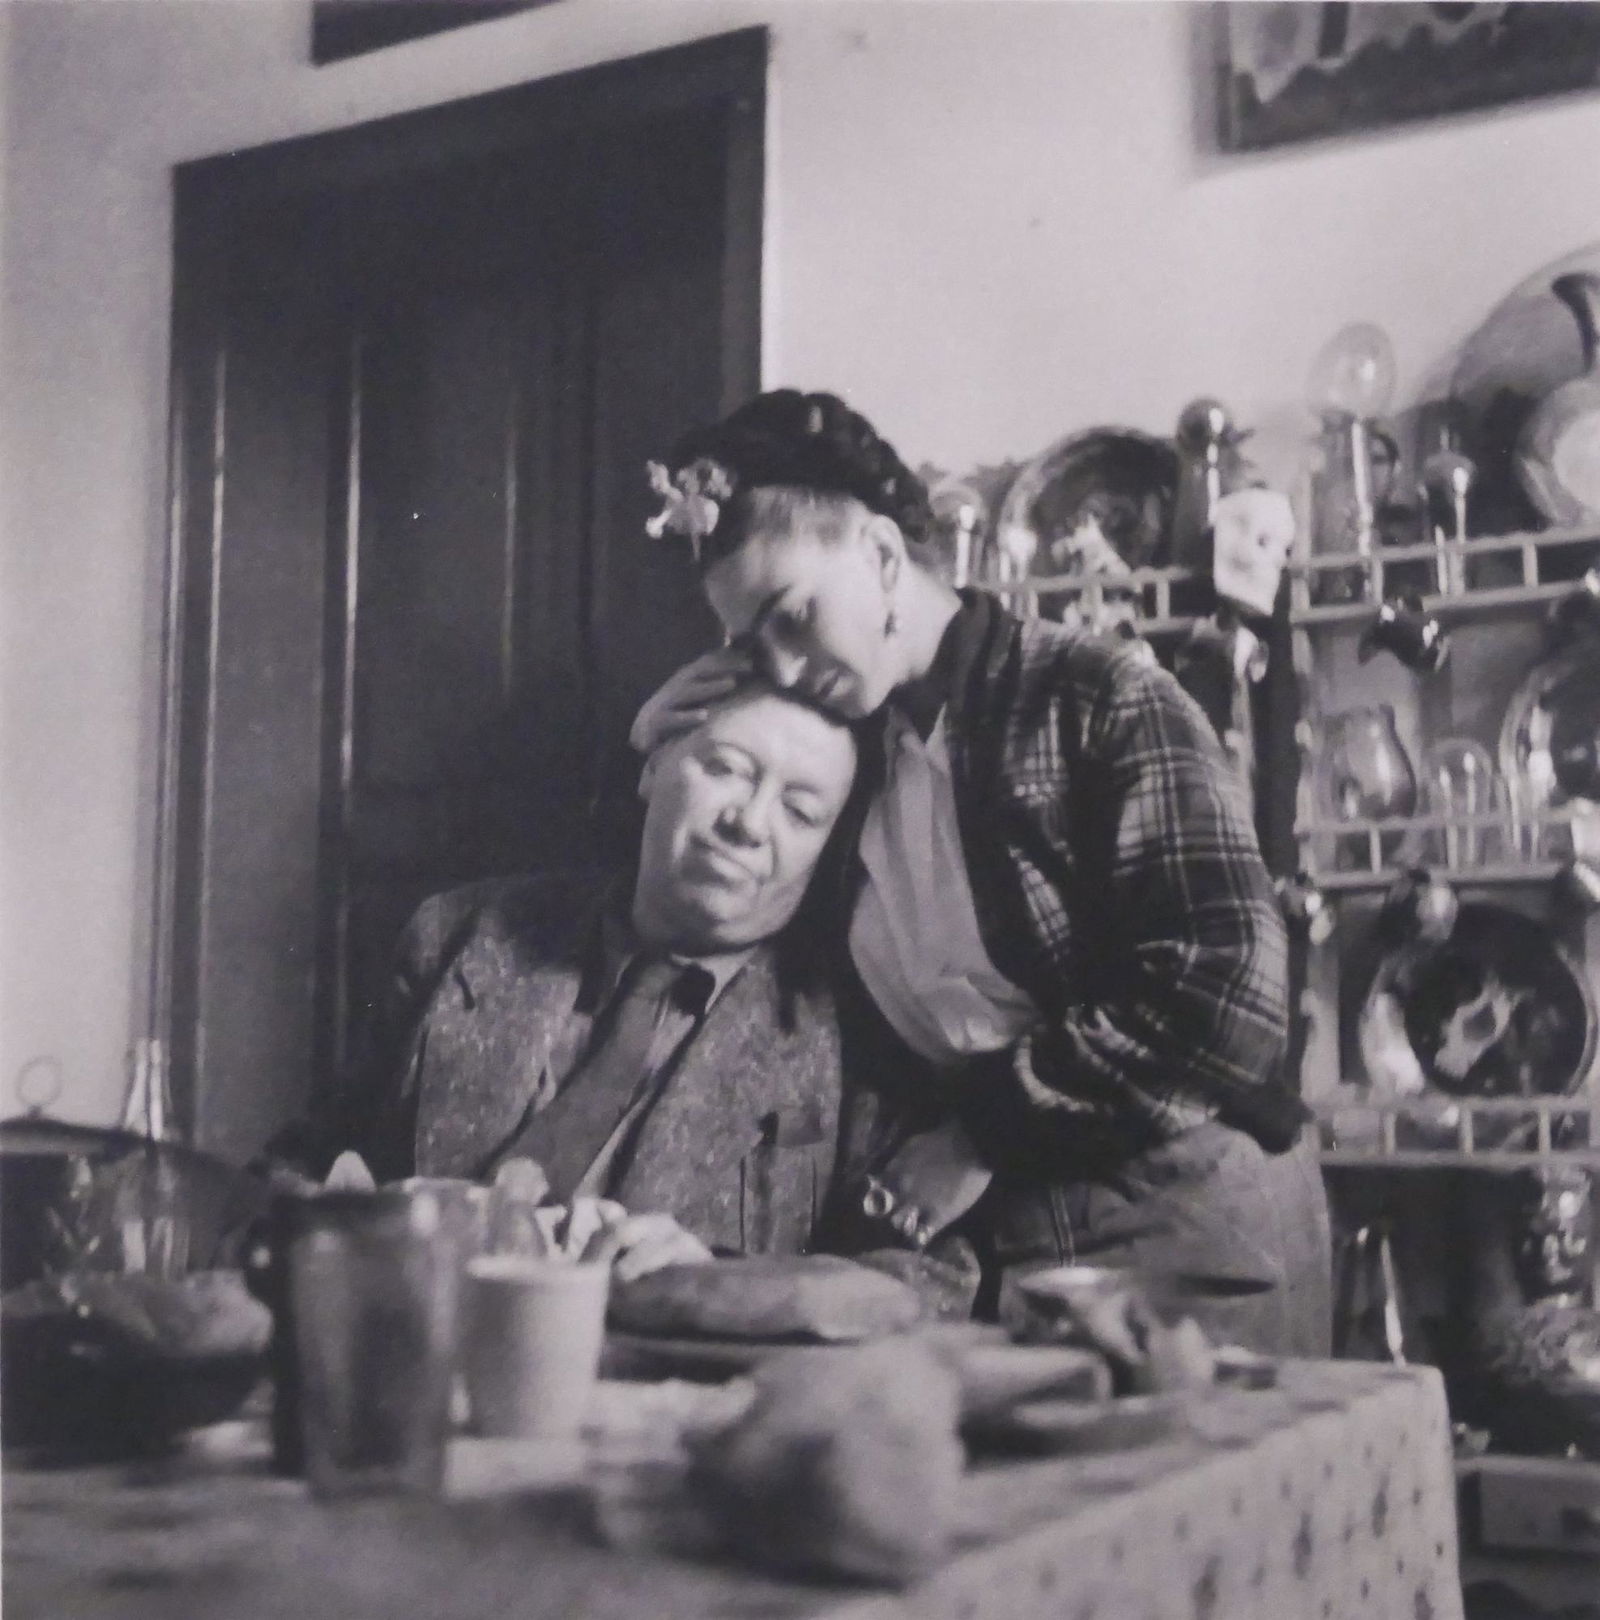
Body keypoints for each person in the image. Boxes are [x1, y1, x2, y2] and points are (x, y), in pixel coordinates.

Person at [633, 389, 1333, 1353]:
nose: (785, 670)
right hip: (990, 1248)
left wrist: (980, 1135)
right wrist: (657, 747)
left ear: (882, 556)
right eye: (753, 648)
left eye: (793, 617)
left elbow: (1229, 990)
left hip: (1190, 1221)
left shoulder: (1096, 695)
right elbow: (706, 922)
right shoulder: (847, 764)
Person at [312, 675, 974, 1302]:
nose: (748, 822)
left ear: (828, 848)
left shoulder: (859, 1022)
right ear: (654, 764)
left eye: (799, 812)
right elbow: (309, 1166)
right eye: (726, 769)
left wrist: (723, 1285)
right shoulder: (458, 935)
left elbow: (936, 1282)